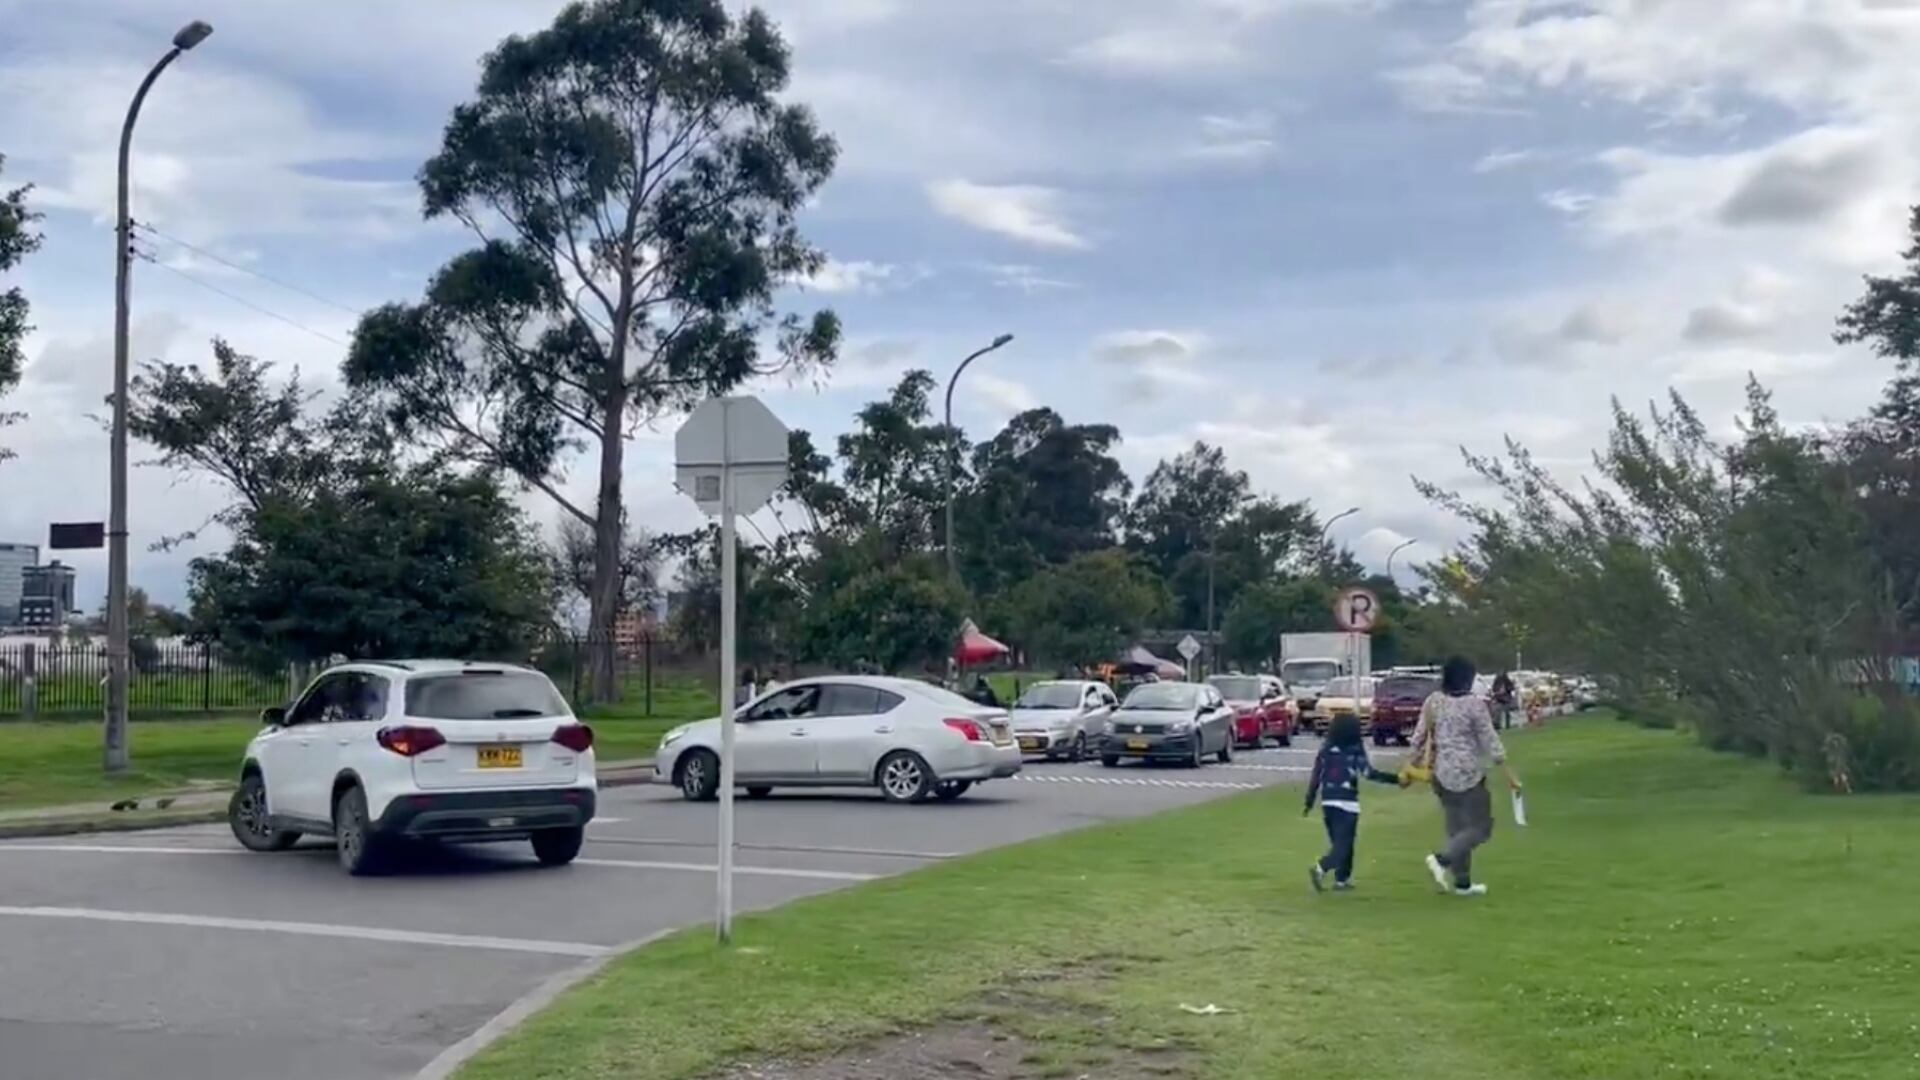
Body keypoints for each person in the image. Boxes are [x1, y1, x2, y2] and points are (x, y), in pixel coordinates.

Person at [1408, 656, 1523, 897]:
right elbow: (1490, 740)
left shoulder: (1434, 701)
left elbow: (1419, 737)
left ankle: (1463, 884)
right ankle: (1442, 859)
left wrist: (1411, 766)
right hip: (1469, 774)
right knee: (1481, 828)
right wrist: (1509, 774)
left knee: (1457, 829)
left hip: (1440, 774)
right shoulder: (1474, 705)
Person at [1302, 713, 1402, 892]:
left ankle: (1342, 880)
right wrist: (1396, 779)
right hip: (1347, 802)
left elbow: (1316, 775)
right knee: (1344, 845)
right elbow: (1368, 773)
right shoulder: (1355, 748)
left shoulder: (1326, 748)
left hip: (1328, 801)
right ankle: (1321, 868)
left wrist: (1309, 801)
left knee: (1340, 843)